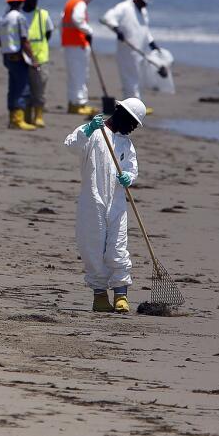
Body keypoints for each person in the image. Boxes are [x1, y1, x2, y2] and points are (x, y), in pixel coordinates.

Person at [64, 97, 146, 313]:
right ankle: (99, 295)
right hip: (92, 200)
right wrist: (89, 129)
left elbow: (131, 167)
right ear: (121, 113)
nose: (132, 129)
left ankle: (121, 294)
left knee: (118, 248)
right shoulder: (94, 133)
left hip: (117, 203)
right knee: (92, 247)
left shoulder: (126, 144)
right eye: (132, 123)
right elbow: (72, 145)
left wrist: (128, 175)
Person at [100, 0, 160, 108]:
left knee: (138, 78)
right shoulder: (124, 7)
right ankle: (132, 107)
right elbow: (107, 18)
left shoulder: (143, 11)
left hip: (139, 50)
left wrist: (151, 43)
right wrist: (117, 30)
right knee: (130, 78)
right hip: (127, 49)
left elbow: (144, 29)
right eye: (143, 1)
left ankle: (136, 104)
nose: (145, 5)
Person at [0, 0, 38, 131]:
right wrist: (33, 58)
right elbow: (24, 41)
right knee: (22, 87)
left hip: (7, 57)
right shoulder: (19, 17)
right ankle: (18, 120)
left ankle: (13, 117)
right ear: (21, 2)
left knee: (13, 87)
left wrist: (5, 46)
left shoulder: (3, 18)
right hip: (17, 57)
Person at [61, 0, 99, 115]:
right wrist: (88, 31)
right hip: (78, 44)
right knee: (80, 75)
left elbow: (64, 20)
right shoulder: (80, 4)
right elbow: (77, 19)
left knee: (74, 75)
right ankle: (79, 104)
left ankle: (73, 103)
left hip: (69, 44)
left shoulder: (71, 1)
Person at [21, 0, 55, 128]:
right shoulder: (19, 14)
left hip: (40, 58)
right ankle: (27, 116)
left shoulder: (43, 15)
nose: (33, 1)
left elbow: (48, 33)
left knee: (40, 89)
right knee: (25, 89)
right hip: (23, 58)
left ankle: (39, 116)